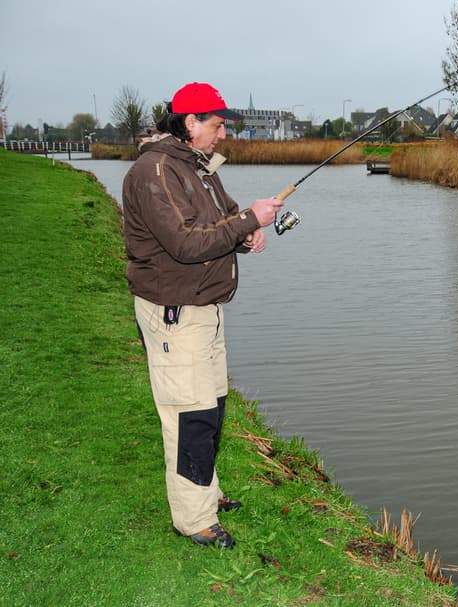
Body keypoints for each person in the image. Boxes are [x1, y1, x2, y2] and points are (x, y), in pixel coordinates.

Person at [122, 82, 284, 548]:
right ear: (190, 122)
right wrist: (249, 221)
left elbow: (221, 223)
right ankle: (194, 520)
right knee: (189, 414)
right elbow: (186, 242)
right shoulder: (154, 172)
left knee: (211, 405)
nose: (222, 133)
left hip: (204, 308)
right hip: (176, 314)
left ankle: (207, 492)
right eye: (216, 124)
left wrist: (245, 234)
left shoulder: (198, 167)